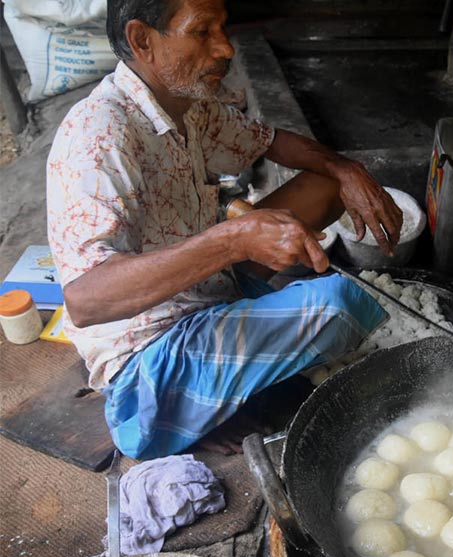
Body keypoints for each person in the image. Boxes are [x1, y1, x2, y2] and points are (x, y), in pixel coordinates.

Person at [45, 0, 404, 459]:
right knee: (336, 306)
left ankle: (217, 391)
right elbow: (86, 300)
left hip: (205, 291)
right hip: (148, 357)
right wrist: (233, 238)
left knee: (327, 185)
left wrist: (346, 168)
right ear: (143, 41)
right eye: (202, 32)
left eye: (223, 28)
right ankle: (183, 413)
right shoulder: (99, 133)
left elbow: (270, 141)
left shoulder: (188, 104)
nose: (225, 48)